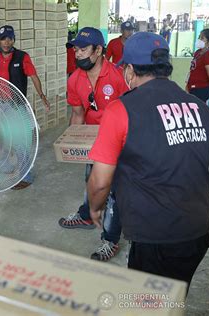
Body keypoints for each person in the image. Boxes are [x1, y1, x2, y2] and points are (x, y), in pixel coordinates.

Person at [87, 32, 209, 289]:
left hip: (156, 235)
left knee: (146, 304)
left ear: (130, 70)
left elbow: (100, 182)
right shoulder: (201, 109)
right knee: (174, 297)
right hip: (199, 230)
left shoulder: (121, 110)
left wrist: (94, 208)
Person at [57, 27, 128, 261]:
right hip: (93, 142)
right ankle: (87, 215)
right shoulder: (75, 79)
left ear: (99, 50)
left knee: (114, 191)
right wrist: (73, 142)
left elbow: (132, 113)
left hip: (120, 141)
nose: (77, 54)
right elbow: (78, 114)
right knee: (91, 180)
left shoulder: (118, 76)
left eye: (83, 49)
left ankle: (111, 239)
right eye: (75, 49)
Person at [0, 25, 50, 190]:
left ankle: (26, 177)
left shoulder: (22, 57)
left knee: (21, 142)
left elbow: (33, 76)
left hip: (16, 106)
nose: (6, 42)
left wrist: (41, 96)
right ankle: (6, 167)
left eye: (10, 38)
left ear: (14, 39)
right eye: (3, 39)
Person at [186, 29, 209, 103]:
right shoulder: (198, 52)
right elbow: (193, 70)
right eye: (199, 37)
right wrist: (188, 85)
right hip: (192, 88)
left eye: (202, 38)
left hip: (200, 89)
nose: (199, 39)